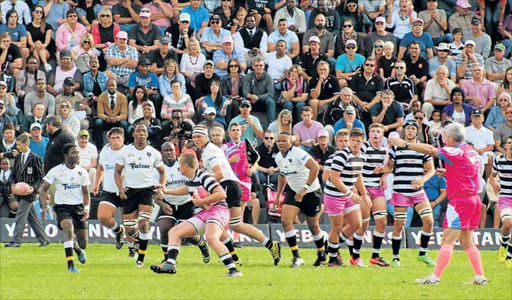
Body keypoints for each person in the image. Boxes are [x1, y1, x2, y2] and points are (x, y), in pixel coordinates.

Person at [389, 122, 488, 285]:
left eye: (444, 138)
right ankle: (480, 277)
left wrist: (405, 144)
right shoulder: (472, 153)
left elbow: (429, 150)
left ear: (451, 138)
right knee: (466, 242)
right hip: (474, 200)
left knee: (447, 241)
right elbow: (469, 173)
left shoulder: (455, 150)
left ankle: (434, 278)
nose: (444, 141)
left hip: (459, 202)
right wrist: (450, 172)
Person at [192, 125, 282, 266]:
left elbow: (219, 173)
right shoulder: (209, 150)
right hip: (232, 185)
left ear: (206, 137)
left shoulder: (210, 151)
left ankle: (233, 257)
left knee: (217, 222)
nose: (196, 139)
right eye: (194, 137)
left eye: (198, 136)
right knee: (235, 224)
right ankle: (271, 245)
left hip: (227, 185)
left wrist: (203, 182)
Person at [149, 151, 242, 277]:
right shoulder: (189, 178)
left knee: (211, 237)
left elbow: (221, 194)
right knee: (174, 232)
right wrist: (167, 191)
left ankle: (234, 270)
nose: (178, 168)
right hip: (203, 214)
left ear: (185, 166)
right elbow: (187, 189)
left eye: (180, 165)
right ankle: (170, 265)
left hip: (217, 211)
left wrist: (201, 201)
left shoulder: (204, 177)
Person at [375, 120, 436, 268]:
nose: (410, 131)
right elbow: (390, 167)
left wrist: (423, 179)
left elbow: (431, 169)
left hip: (417, 191)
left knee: (429, 220)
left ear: (417, 131)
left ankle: (422, 253)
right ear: (404, 131)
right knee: (399, 225)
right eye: (407, 128)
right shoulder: (396, 148)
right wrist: (381, 169)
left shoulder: (422, 148)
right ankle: (396, 257)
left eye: (412, 129)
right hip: (401, 191)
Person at [115, 122, 166, 268]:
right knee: (130, 229)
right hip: (130, 191)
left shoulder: (154, 153)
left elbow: (162, 172)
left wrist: (161, 187)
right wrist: (120, 188)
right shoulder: (125, 152)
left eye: (144, 131)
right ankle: (142, 239)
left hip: (146, 191)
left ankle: (141, 259)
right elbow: (117, 172)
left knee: (144, 223)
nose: (141, 134)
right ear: (133, 134)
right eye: (139, 131)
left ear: (147, 134)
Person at [151, 142, 211, 263]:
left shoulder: (183, 165)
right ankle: (167, 258)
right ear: (161, 153)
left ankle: (202, 245)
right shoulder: (157, 169)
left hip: (186, 202)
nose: (169, 152)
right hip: (169, 203)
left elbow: (192, 185)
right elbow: (154, 193)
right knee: (164, 228)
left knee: (187, 235)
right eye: (166, 150)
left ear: (176, 151)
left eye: (171, 150)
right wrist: (162, 204)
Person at [274, 130, 324, 267]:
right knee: (285, 220)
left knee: (313, 226)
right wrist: (278, 196)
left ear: (290, 142)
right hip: (293, 191)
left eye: (284, 140)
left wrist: (305, 188)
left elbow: (314, 168)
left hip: (311, 191)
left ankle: (321, 254)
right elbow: (282, 175)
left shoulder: (299, 153)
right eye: (279, 141)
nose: (281, 143)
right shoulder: (278, 157)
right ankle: (297, 257)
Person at [39, 143, 90, 273]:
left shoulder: (82, 172)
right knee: (68, 230)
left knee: (83, 243)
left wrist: (87, 208)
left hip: (78, 207)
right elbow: (43, 189)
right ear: (65, 155)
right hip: (62, 207)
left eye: (78, 152)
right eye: (74, 152)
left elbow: (85, 193)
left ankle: (77, 248)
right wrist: (44, 207)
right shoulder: (56, 171)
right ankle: (71, 265)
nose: (77, 155)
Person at [324, 128, 370, 267]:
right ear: (350, 141)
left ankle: (331, 246)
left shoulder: (362, 156)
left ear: (363, 142)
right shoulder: (341, 155)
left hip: (348, 194)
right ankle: (332, 259)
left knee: (357, 223)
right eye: (353, 140)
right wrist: (350, 193)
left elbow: (358, 176)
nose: (355, 143)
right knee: (337, 227)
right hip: (334, 195)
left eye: (358, 141)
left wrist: (364, 194)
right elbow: (333, 178)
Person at [4, 135, 49, 248]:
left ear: (26, 144)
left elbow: (40, 177)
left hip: (29, 193)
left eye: (19, 144)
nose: (17, 147)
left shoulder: (35, 158)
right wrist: (13, 186)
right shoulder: (18, 157)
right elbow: (14, 174)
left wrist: (33, 188)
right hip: (20, 192)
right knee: (32, 218)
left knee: (20, 215)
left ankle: (16, 241)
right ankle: (44, 239)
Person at [358, 123, 390, 266]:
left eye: (378, 131)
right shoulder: (364, 148)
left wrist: (384, 173)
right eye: (373, 131)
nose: (376, 134)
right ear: (369, 134)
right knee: (363, 223)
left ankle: (375, 256)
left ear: (382, 135)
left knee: (382, 222)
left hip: (377, 187)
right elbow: (355, 167)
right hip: (363, 187)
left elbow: (390, 166)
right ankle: (355, 256)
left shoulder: (385, 150)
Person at [91, 127, 126, 251]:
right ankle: (119, 231)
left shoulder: (128, 152)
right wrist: (96, 183)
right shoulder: (105, 151)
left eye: (118, 138)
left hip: (126, 190)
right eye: (113, 138)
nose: (116, 140)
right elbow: (101, 168)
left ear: (123, 139)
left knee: (129, 223)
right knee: (103, 217)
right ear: (109, 140)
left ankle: (134, 247)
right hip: (109, 190)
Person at [490, 136, 512, 268]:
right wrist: (494, 185)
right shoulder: (499, 160)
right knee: (508, 224)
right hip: (505, 197)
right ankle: (504, 244)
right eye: (509, 143)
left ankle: (509, 255)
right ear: (506, 145)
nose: (511, 145)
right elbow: (492, 176)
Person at [95, 80, 129, 147]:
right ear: (107, 87)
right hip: (106, 120)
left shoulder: (123, 97)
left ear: (116, 86)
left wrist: (116, 118)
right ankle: (99, 145)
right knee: (98, 122)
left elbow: (124, 115)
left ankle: (125, 144)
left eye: (113, 85)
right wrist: (106, 118)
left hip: (117, 120)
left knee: (124, 123)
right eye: (109, 85)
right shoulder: (101, 97)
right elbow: (100, 113)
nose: (111, 87)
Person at [242, 58, 276, 123]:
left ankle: (271, 123)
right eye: (257, 65)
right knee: (244, 101)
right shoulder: (248, 76)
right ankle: (243, 121)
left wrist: (258, 97)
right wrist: (251, 96)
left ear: (263, 66)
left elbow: (270, 93)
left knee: (270, 101)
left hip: (263, 100)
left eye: (261, 65)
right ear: (253, 66)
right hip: (251, 101)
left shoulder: (268, 77)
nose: (259, 67)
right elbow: (245, 92)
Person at [26, 5, 54, 72]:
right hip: (32, 47)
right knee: (36, 47)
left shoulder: (48, 26)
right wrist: (36, 45)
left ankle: (36, 71)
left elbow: (47, 42)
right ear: (33, 13)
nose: (39, 14)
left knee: (37, 51)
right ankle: (46, 64)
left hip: (45, 49)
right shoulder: (28, 26)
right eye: (37, 12)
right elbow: (30, 42)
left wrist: (41, 46)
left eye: (41, 12)